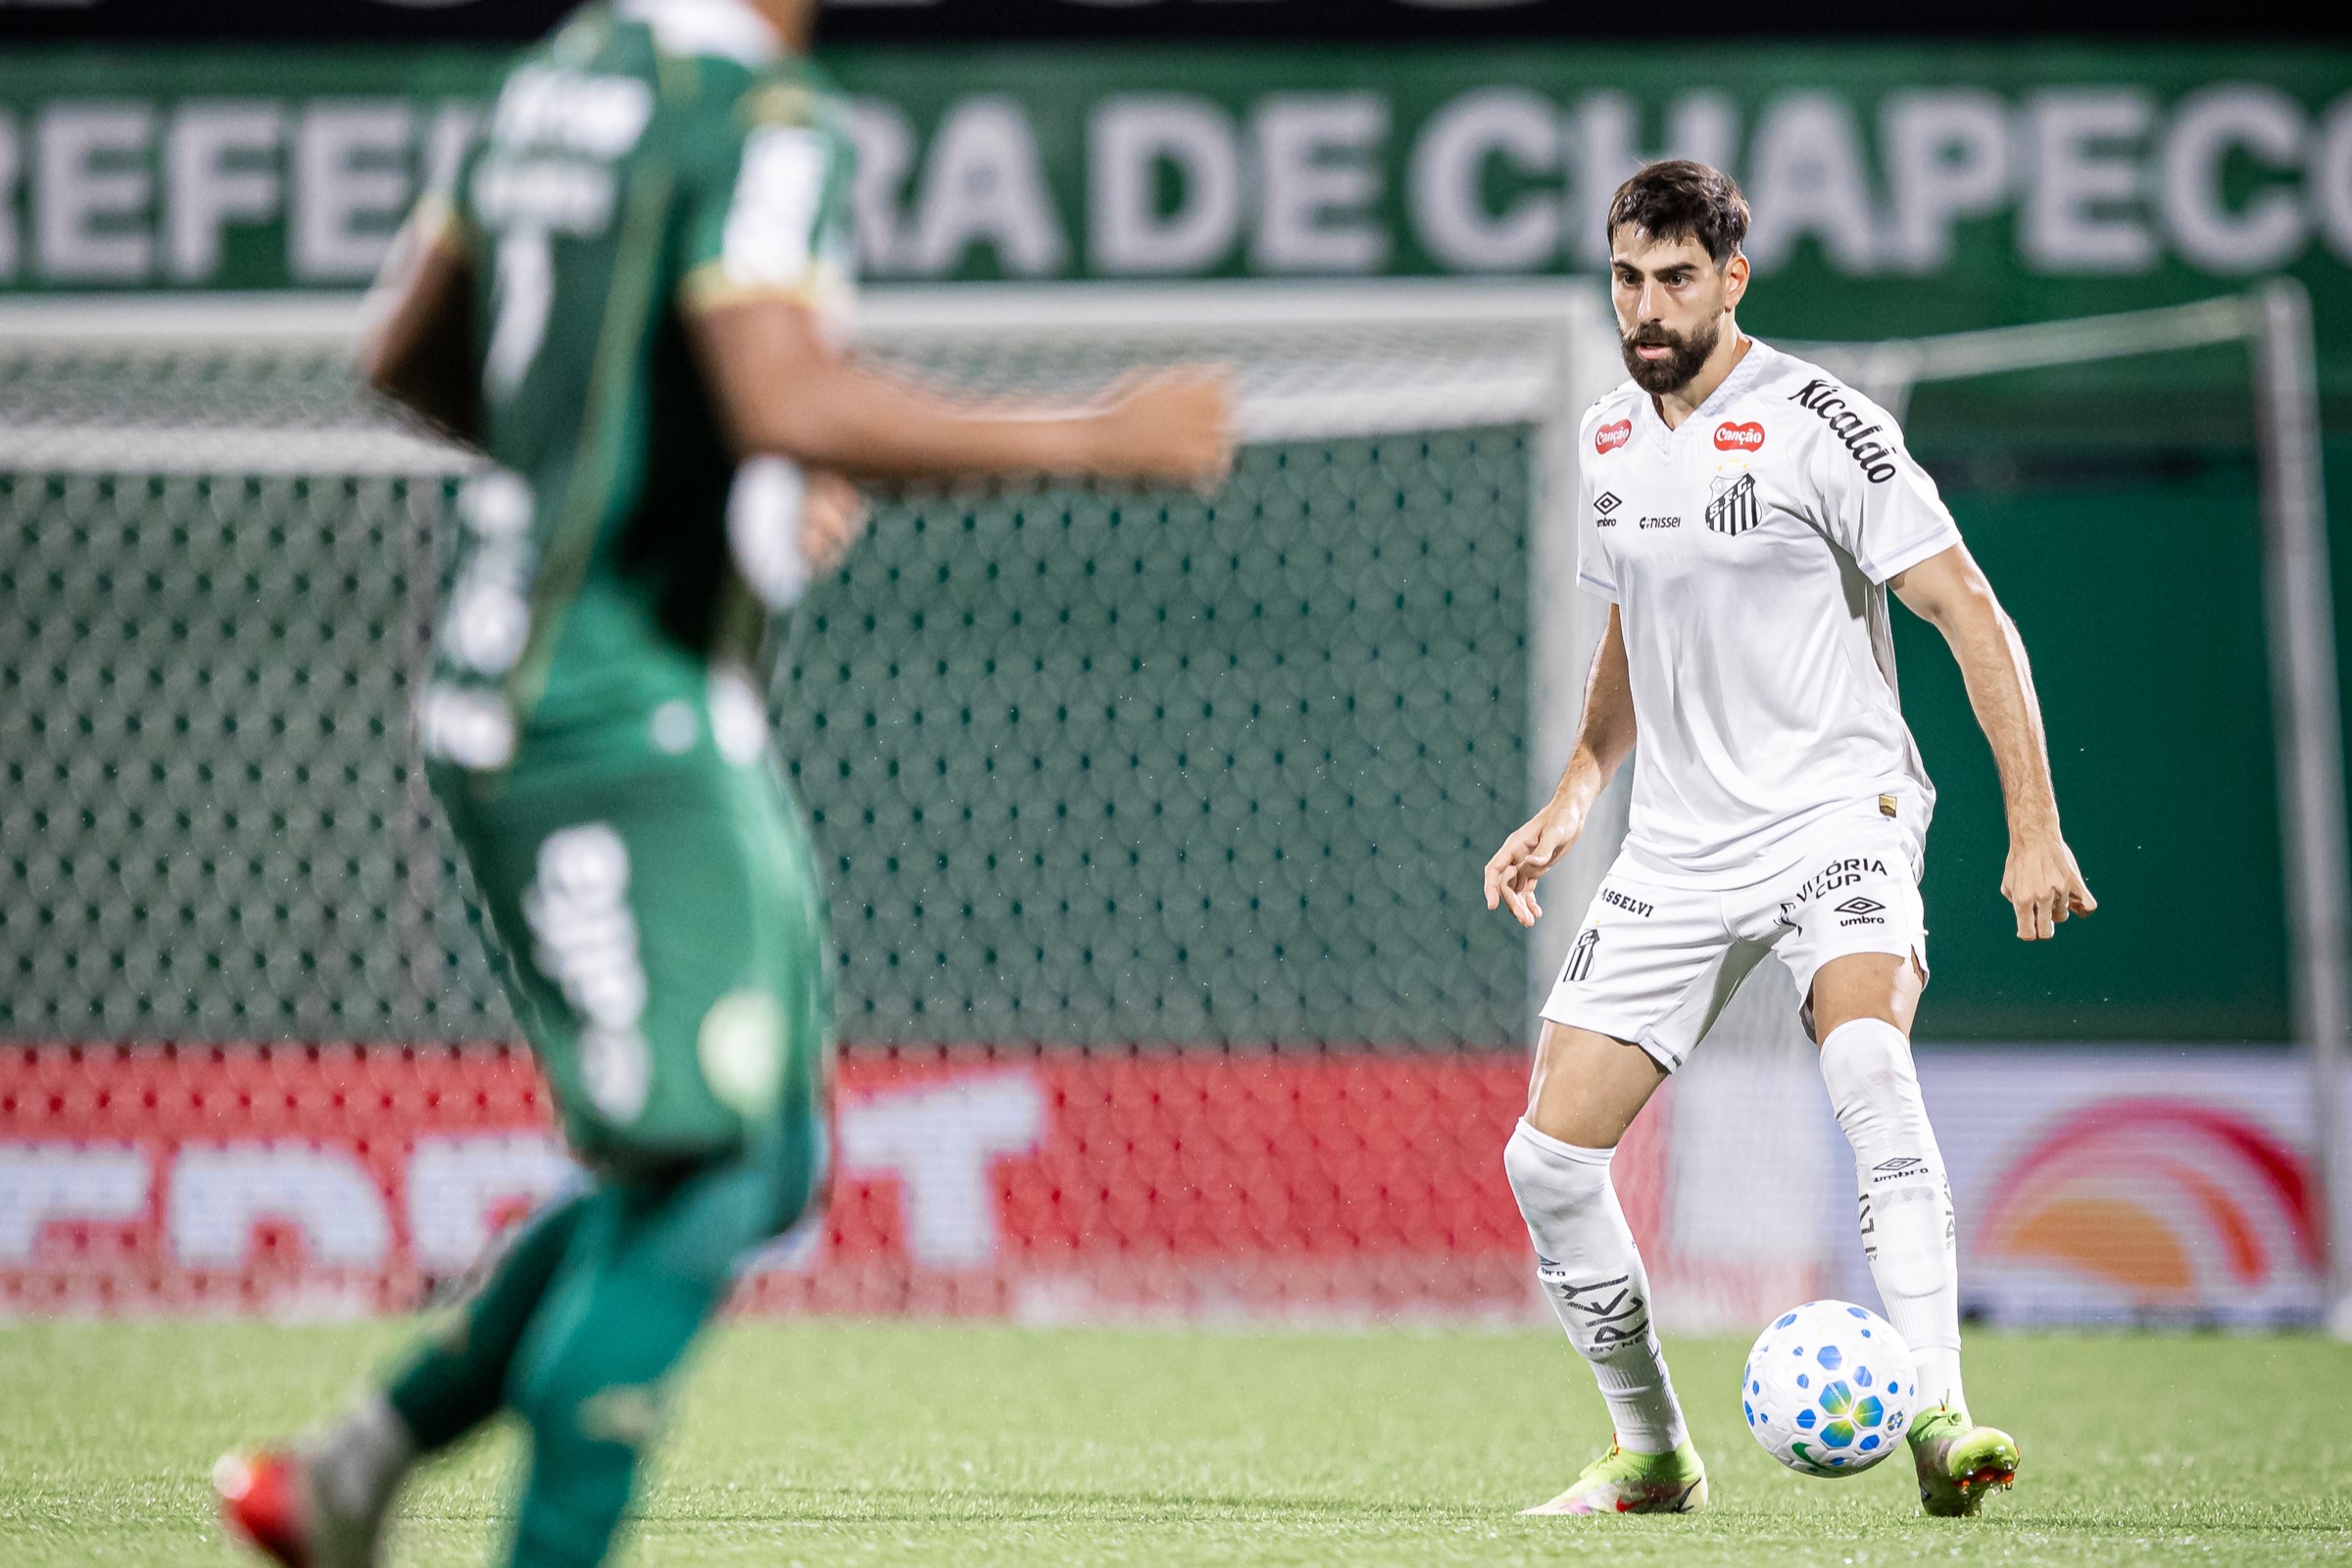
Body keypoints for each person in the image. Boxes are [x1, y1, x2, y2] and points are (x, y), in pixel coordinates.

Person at [214, 1, 1230, 1563]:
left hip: (595, 697)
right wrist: (1096, 437)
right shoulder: (761, 118)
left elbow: (408, 350)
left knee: (759, 1159)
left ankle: (358, 1464)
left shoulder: (560, 83)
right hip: (610, 722)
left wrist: (618, 481)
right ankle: (440, 1495)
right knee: (700, 1174)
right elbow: (776, 395)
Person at [1483, 160, 2093, 1518]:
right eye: (1629, 277)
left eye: (1677, 279)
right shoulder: (1607, 440)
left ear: (1732, 279)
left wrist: (2033, 825)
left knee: (1868, 1059)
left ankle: (1940, 1412)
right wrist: (1580, 788)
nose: (1648, 305)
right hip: (1681, 848)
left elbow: (1972, 613)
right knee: (1548, 1161)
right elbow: (1635, 625)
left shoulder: (1826, 424)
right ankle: (1653, 1454)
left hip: (1837, 812)